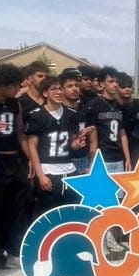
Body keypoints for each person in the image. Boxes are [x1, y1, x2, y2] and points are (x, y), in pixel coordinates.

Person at [0, 64, 30, 270]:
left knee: (17, 208)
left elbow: (20, 133)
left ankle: (12, 251)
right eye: (12, 85)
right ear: (0, 84)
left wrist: (29, 160)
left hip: (15, 160)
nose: (17, 88)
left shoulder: (15, 104)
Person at [27, 76, 92, 218]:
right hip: (48, 170)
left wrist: (78, 143)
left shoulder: (71, 115)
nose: (58, 92)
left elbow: (71, 145)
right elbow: (32, 147)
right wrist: (41, 175)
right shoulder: (36, 116)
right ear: (45, 93)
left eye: (60, 89)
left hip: (69, 169)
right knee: (45, 215)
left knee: (70, 214)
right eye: (54, 89)